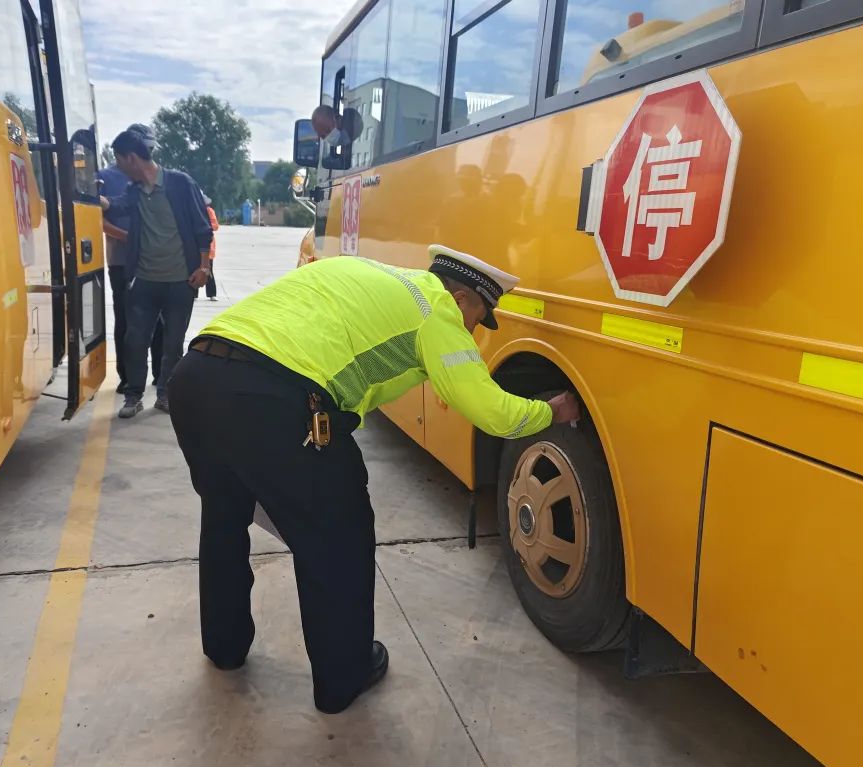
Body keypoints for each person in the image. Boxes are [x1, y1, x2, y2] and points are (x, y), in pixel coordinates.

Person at [167, 246, 581, 714]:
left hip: (194, 377)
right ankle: (344, 675)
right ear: (462, 298)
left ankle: (225, 647)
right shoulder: (437, 310)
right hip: (273, 401)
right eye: (476, 320)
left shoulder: (362, 272)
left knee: (223, 516)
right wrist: (550, 410)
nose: (470, 334)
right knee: (338, 537)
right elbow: (491, 411)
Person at [101, 125, 214, 418]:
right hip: (145, 281)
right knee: (134, 340)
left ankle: (165, 393)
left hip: (180, 281)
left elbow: (203, 229)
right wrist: (101, 202)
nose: (119, 167)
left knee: (173, 343)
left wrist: (204, 268)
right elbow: (120, 204)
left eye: (119, 160)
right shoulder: (134, 190)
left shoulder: (180, 184)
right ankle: (133, 396)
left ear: (131, 159)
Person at [98, 160, 162, 394]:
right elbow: (99, 218)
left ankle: (161, 374)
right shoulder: (103, 177)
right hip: (121, 261)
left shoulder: (155, 176)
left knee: (160, 319)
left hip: (153, 260)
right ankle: (127, 377)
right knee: (126, 318)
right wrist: (130, 237)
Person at [202, 193, 220, 301]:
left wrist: (203, 227)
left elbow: (215, 225)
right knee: (193, 269)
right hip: (193, 244)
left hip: (208, 244)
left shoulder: (209, 211)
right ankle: (193, 294)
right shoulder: (192, 210)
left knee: (208, 269)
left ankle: (212, 293)